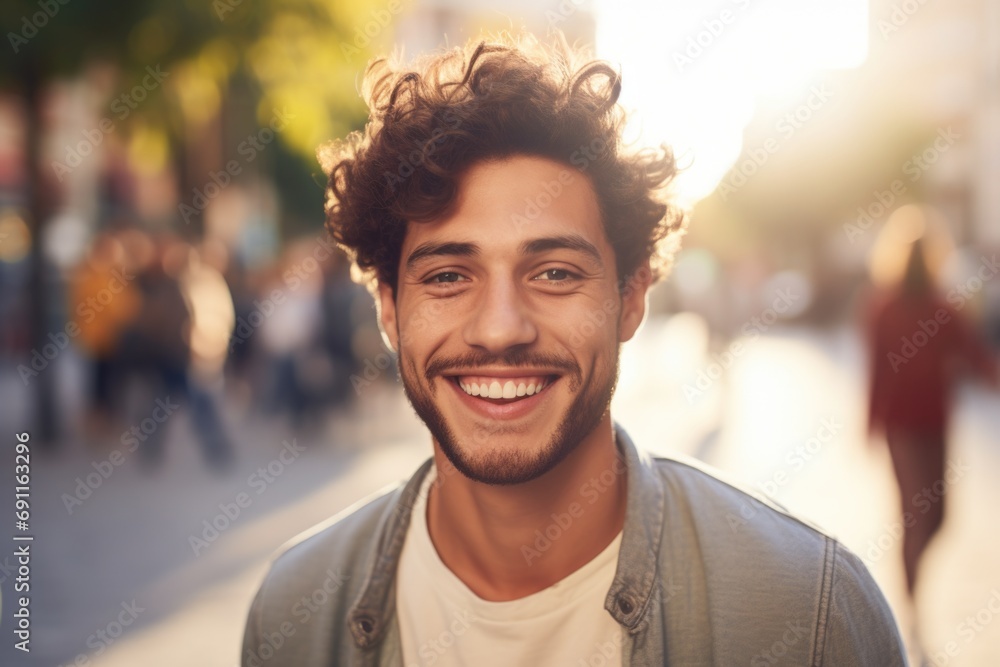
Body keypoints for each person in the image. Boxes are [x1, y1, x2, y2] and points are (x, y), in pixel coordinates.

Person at [242, 33, 907, 666]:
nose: (500, 329)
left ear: (632, 296)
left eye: (555, 272)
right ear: (389, 307)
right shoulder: (296, 611)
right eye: (448, 276)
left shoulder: (811, 613)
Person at [865, 218, 999, 615]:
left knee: (939, 514)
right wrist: (870, 421)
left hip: (935, 422)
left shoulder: (945, 306)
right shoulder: (883, 307)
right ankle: (909, 604)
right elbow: (876, 368)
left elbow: (975, 357)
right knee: (912, 513)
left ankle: (912, 579)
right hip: (900, 425)